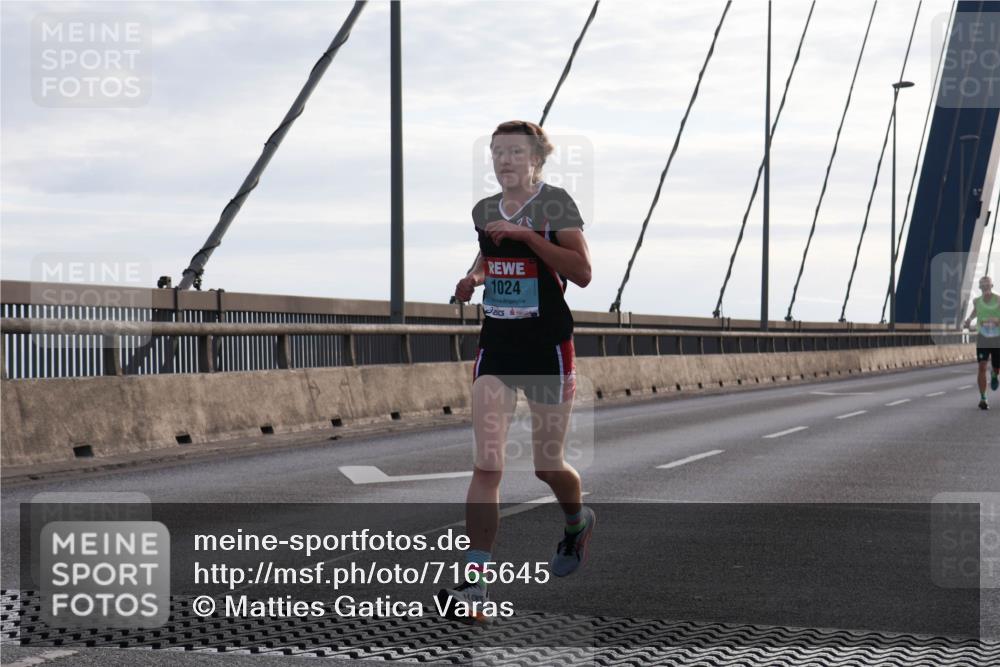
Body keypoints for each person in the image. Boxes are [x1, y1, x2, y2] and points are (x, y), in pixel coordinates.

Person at [438, 120, 594, 625]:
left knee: (548, 466)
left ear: (536, 160)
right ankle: (474, 582)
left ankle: (576, 522)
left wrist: (530, 236)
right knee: (487, 466)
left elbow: (582, 273)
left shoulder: (556, 206)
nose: (504, 161)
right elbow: (490, 254)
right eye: (496, 152)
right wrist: (473, 278)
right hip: (498, 348)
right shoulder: (485, 211)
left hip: (547, 346)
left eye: (514, 153)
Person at [963, 275, 1000, 410]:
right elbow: (975, 312)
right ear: (980, 288)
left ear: (991, 286)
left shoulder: (998, 300)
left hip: (997, 338)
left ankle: (995, 374)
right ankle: (983, 398)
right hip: (983, 337)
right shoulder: (977, 301)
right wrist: (968, 320)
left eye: (987, 285)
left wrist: (994, 321)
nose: (985, 287)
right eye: (982, 286)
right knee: (982, 366)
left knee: (996, 367)